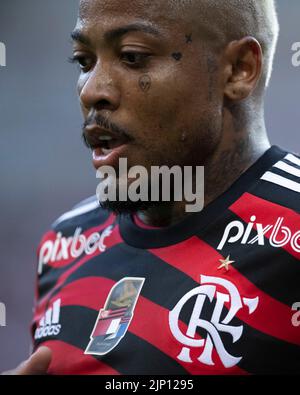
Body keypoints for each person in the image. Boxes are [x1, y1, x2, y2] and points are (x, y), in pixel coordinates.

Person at [5, 0, 300, 375]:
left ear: (239, 69)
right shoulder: (64, 243)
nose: (92, 90)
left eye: (132, 57)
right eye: (83, 61)